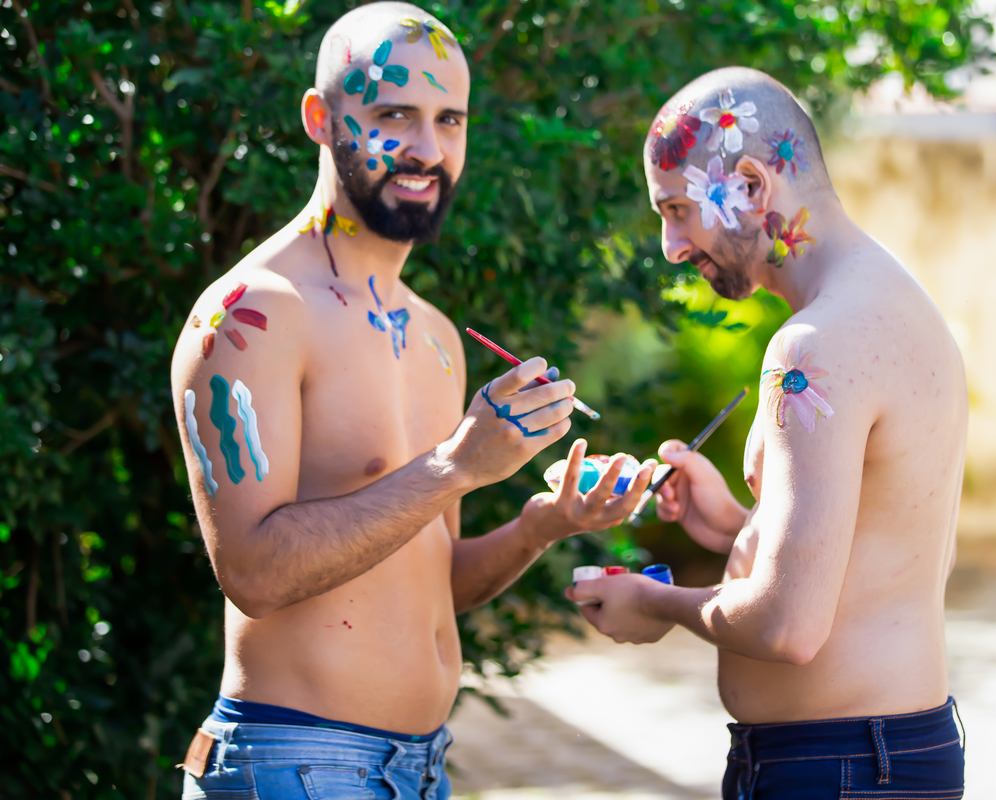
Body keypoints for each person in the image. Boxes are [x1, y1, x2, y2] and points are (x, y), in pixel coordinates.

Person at [169, 4, 657, 798]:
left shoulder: (434, 336)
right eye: (395, 115)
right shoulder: (252, 316)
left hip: (422, 769)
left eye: (450, 120)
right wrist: (455, 463)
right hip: (293, 767)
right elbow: (252, 572)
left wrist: (545, 523)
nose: (429, 151)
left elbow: (434, 581)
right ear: (321, 119)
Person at [568, 67, 969, 799]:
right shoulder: (895, 304)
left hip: (838, 767)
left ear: (751, 186)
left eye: (680, 208)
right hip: (880, 755)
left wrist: (653, 602)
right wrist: (737, 529)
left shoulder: (816, 347)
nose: (670, 245)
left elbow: (789, 628)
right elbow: (884, 547)